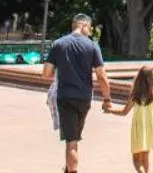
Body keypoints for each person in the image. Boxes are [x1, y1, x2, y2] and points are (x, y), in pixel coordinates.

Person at [46, 14, 112, 173]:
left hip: (65, 97)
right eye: (90, 28)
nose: (90, 31)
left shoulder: (58, 44)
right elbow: (101, 75)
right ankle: (68, 169)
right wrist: (107, 98)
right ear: (83, 25)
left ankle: (72, 170)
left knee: (71, 141)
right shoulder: (92, 46)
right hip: (84, 98)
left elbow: (46, 72)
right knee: (75, 138)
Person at [108, 65, 153, 173]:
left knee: (136, 159)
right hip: (151, 129)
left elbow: (124, 112)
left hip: (139, 129)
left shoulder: (136, 95)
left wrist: (111, 110)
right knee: (146, 157)